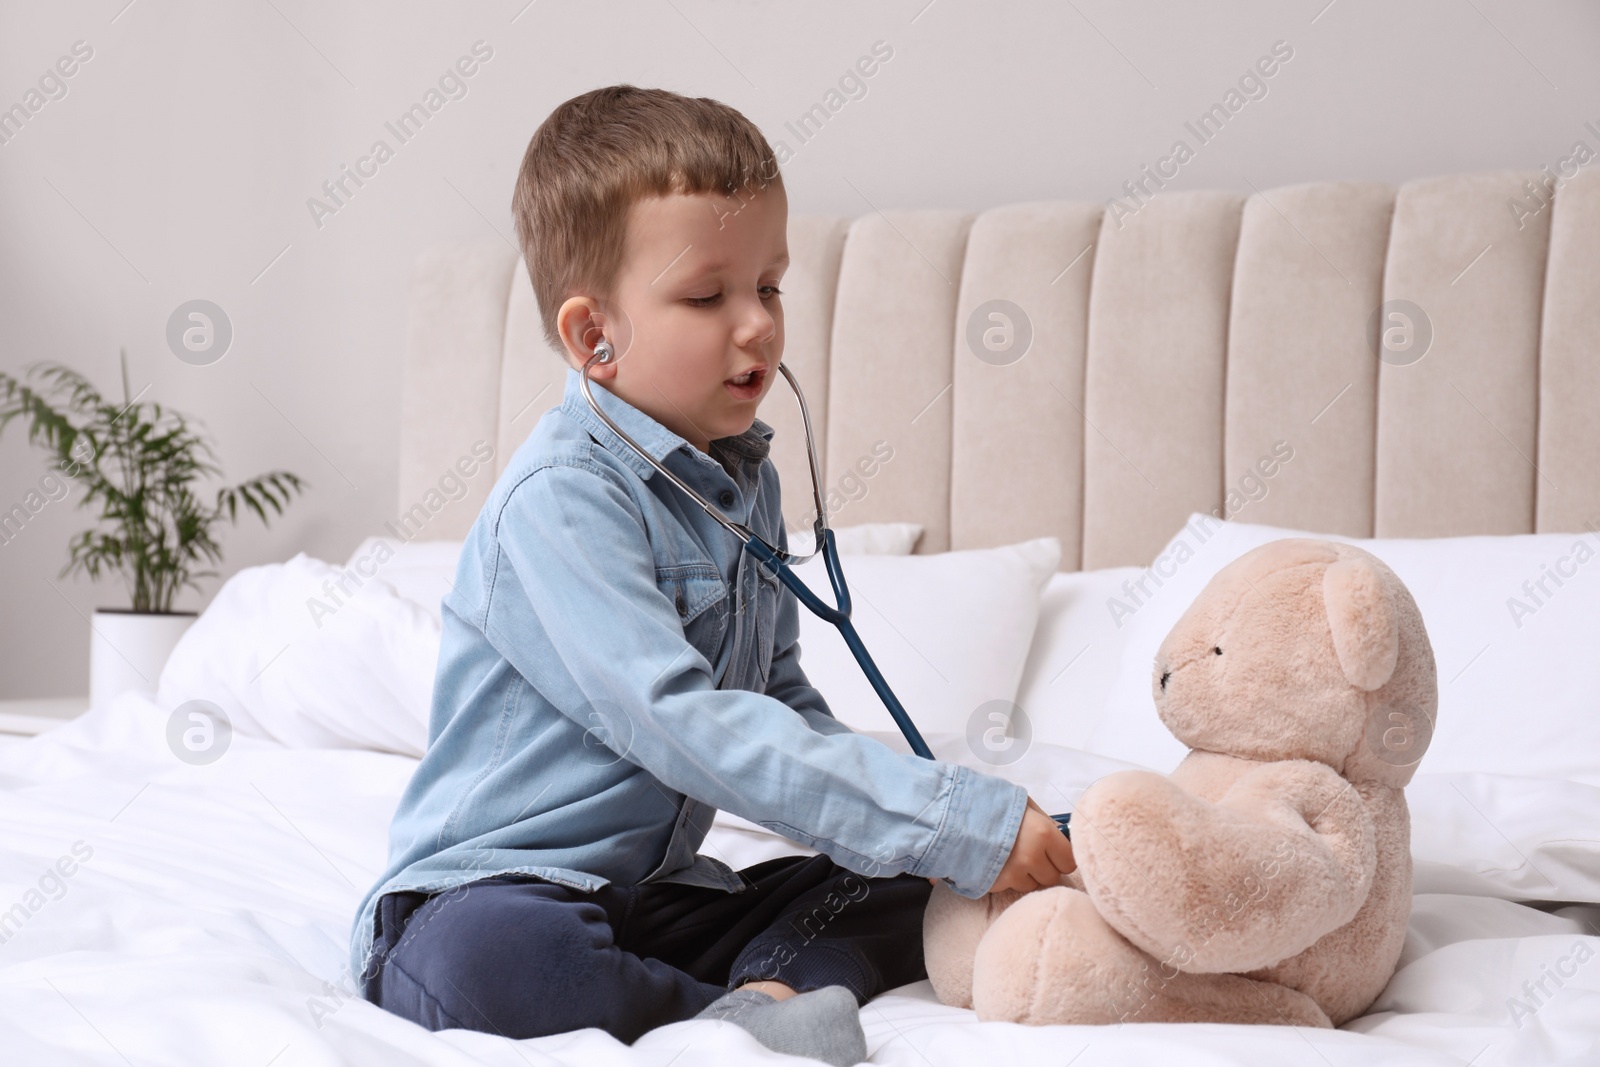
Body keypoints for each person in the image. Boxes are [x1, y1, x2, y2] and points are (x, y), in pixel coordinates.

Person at [348, 84, 1075, 1066]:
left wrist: (942, 818)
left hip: (652, 899)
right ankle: (735, 1008)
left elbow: (778, 702)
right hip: (495, 892)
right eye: (706, 295)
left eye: (769, 286)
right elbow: (681, 720)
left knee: (909, 879)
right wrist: (952, 820)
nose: (758, 326)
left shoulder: (745, 482)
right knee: (502, 963)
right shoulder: (560, 499)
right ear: (590, 336)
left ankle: (760, 994)